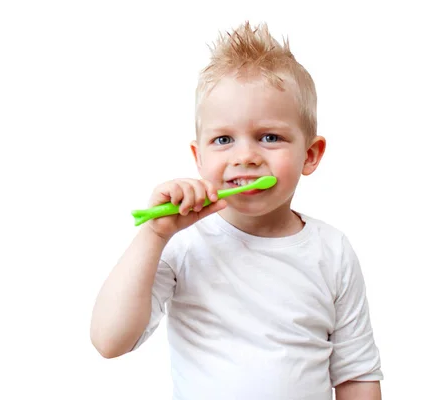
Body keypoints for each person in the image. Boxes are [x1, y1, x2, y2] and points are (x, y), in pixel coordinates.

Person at [90, 21, 383, 400]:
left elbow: (356, 375)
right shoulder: (184, 244)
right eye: (223, 139)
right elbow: (109, 340)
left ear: (309, 155)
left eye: (269, 137)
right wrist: (154, 235)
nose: (245, 157)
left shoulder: (332, 250)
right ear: (199, 157)